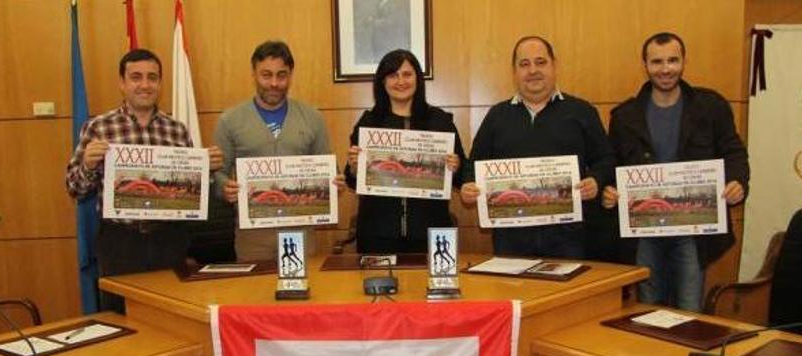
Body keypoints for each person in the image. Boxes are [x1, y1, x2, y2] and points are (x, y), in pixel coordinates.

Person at [65, 48, 223, 312]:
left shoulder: (177, 130)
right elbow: (74, 189)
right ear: (122, 83)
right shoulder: (98, 127)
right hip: (121, 242)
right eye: (136, 77)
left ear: (160, 83)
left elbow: (189, 196)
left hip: (169, 240)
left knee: (172, 313)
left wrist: (206, 170)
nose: (145, 84)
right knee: (120, 316)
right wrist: (88, 165)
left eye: (152, 77)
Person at [603, 32, 750, 311]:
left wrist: (737, 182)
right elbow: (613, 165)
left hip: (692, 228)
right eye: (657, 62)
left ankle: (684, 355)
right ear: (645, 65)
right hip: (644, 228)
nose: (665, 68)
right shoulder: (624, 116)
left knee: (689, 307)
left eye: (673, 60)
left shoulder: (711, 107)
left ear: (684, 62)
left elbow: (734, 152)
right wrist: (608, 190)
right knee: (647, 308)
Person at [459, 36, 613, 258]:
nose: (533, 70)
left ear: (554, 65)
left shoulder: (582, 111)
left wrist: (596, 181)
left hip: (569, 237)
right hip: (511, 237)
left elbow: (606, 159)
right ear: (514, 72)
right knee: (516, 292)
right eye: (524, 64)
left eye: (540, 62)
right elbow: (473, 166)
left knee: (567, 293)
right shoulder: (497, 116)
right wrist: (467, 187)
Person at [214, 40, 341, 261]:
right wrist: (225, 188)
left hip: (300, 229)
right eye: (266, 75)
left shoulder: (313, 118)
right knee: (254, 294)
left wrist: (335, 183)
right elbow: (217, 174)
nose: (274, 83)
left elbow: (330, 170)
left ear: (290, 75)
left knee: (301, 290)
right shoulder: (229, 120)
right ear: (253, 74)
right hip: (252, 234)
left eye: (281, 75)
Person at [344, 49, 467, 253]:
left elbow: (461, 176)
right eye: (393, 75)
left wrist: (456, 166)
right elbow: (351, 180)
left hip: (430, 231)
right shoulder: (369, 122)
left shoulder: (440, 121)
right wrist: (354, 168)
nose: (401, 81)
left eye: (407, 74)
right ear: (382, 82)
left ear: (418, 79)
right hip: (378, 233)